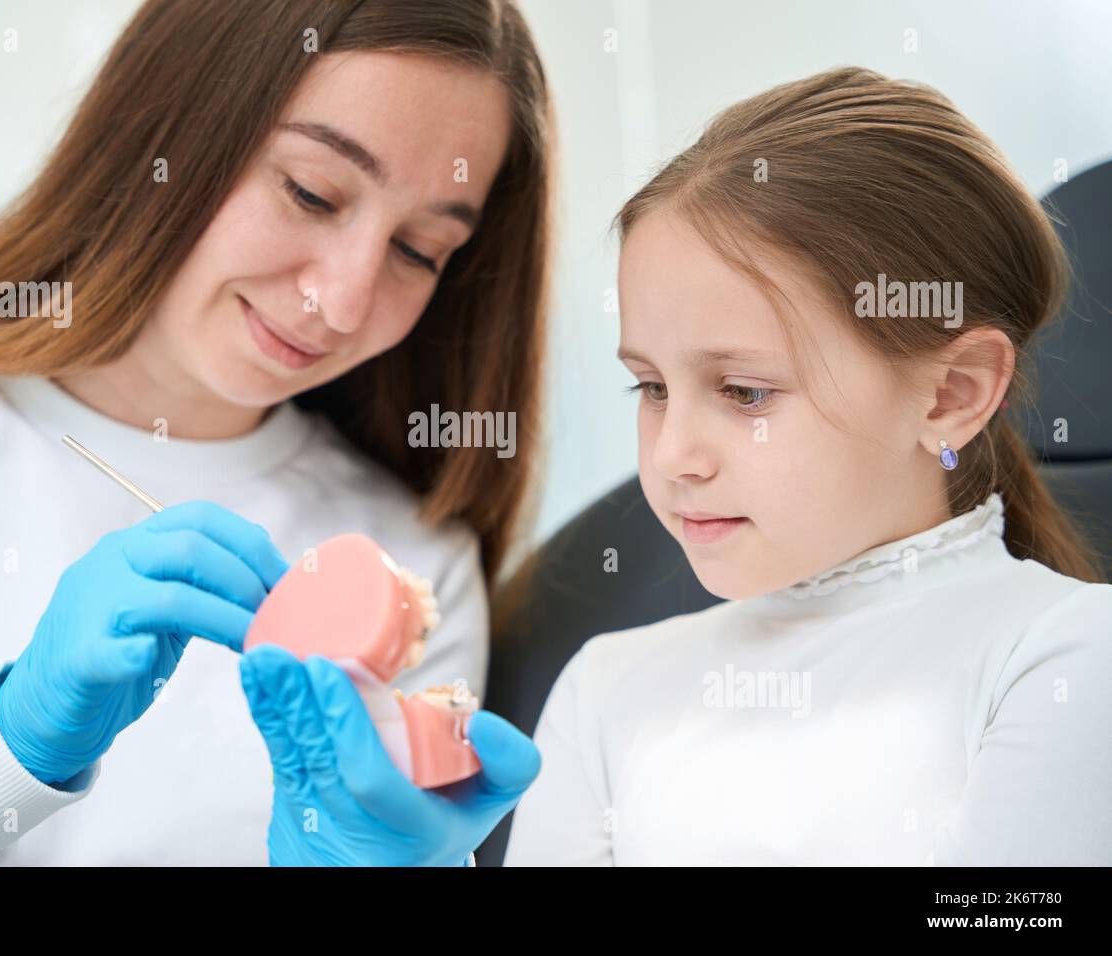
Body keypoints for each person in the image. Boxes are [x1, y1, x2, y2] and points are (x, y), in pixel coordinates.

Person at [240, 66, 1112, 866]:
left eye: (743, 392)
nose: (672, 455)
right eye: (650, 387)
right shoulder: (608, 688)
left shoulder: (1065, 654)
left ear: (951, 394)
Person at [0, 0, 553, 865]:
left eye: (420, 249)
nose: (344, 300)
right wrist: (4, 747)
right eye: (311, 192)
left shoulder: (409, 557)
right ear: (160, 132)